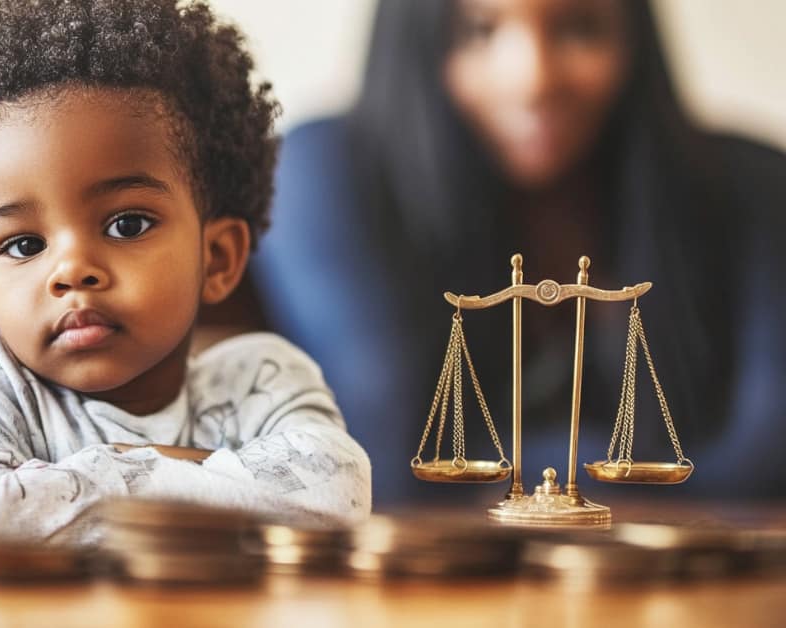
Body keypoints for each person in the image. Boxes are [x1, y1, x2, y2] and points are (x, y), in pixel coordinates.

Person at [254, 0, 786, 505]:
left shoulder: (753, 189)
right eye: (478, 30)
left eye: (578, 28)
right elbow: (391, 464)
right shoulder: (324, 176)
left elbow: (767, 462)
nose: (533, 79)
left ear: (633, 38)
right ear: (416, 39)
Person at [0, 0, 372, 544]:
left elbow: (338, 493)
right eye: (24, 244)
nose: (72, 269)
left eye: (126, 225)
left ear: (215, 258)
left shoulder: (258, 379)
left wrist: (102, 476)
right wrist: (211, 478)